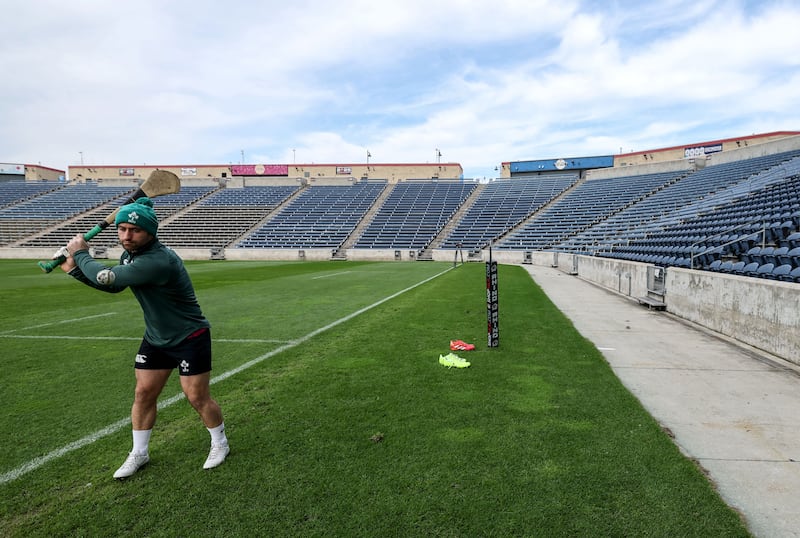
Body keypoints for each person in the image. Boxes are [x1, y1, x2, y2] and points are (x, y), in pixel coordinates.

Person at [59, 196, 229, 479]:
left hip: (190, 336)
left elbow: (107, 277)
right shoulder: (130, 256)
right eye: (122, 229)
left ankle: (219, 443)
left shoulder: (158, 260)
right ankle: (139, 452)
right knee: (143, 393)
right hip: (156, 336)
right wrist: (77, 271)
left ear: (150, 232)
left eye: (134, 230)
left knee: (197, 396)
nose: (127, 235)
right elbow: (115, 287)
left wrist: (80, 254)